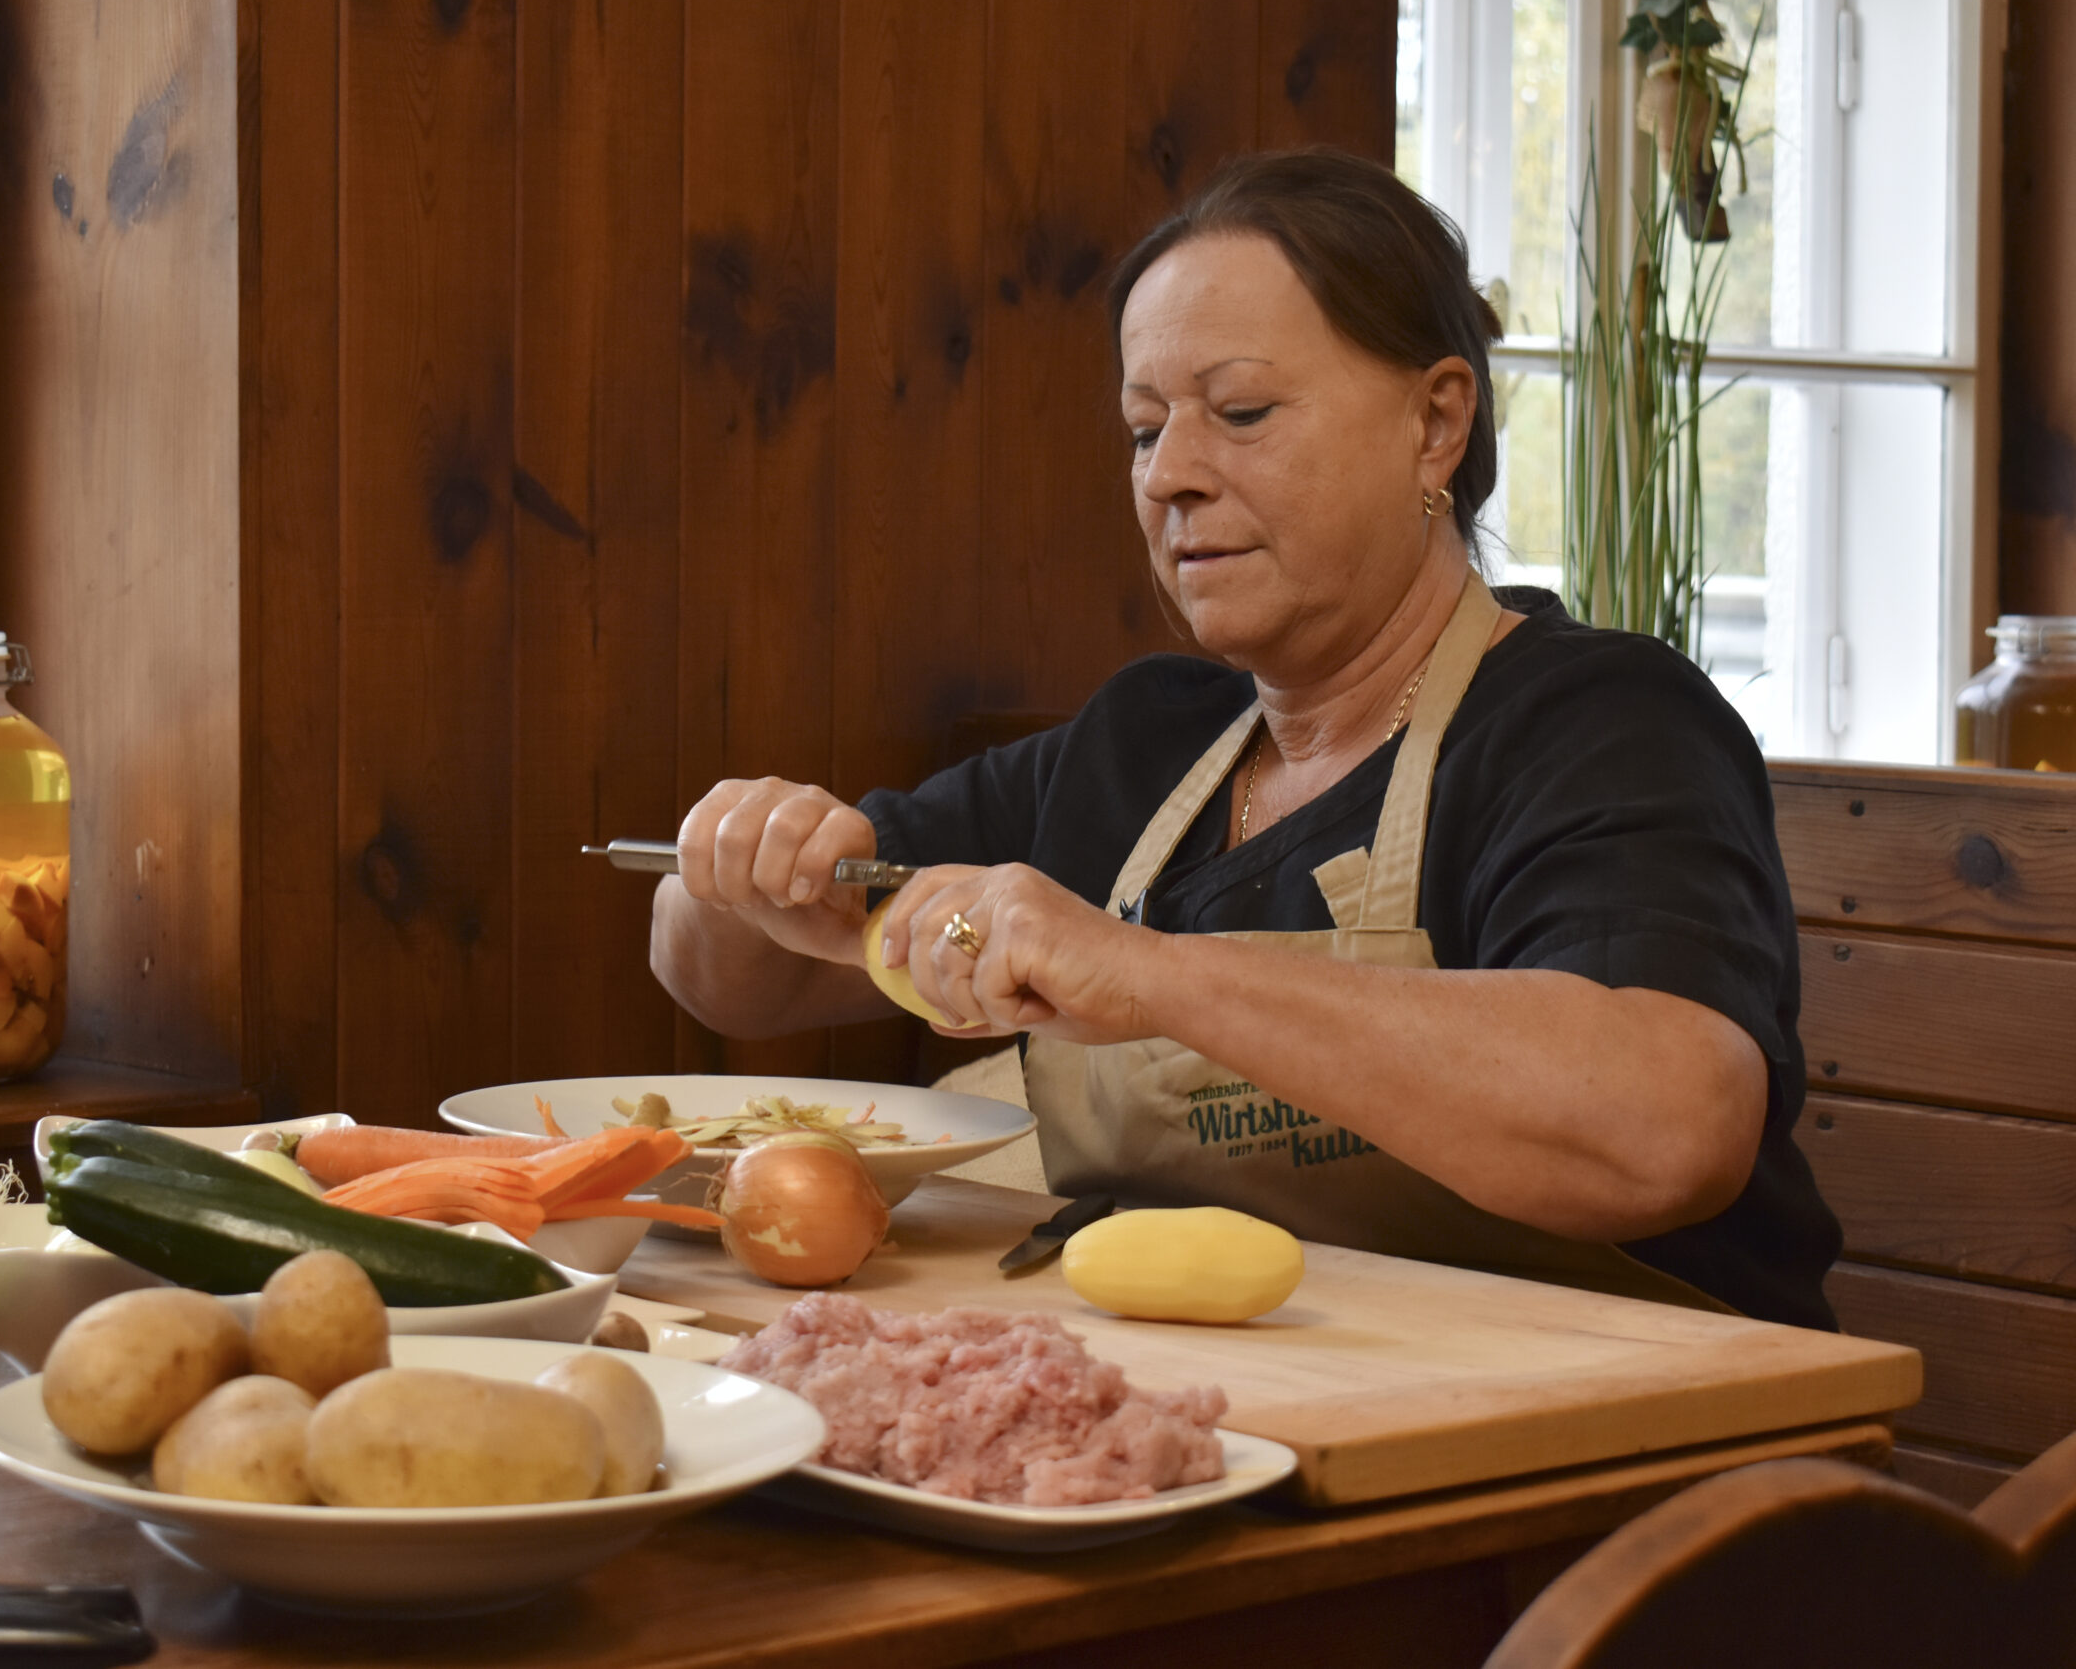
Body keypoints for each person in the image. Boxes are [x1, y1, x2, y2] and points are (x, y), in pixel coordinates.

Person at [649, 147, 1841, 1329]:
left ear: (1435, 424)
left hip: (1631, 1461)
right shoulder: (1143, 743)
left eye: (1242, 413)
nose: (1169, 476)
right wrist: (745, 873)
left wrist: (1146, 974)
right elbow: (722, 981)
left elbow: (1664, 1130)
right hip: (1252, 1411)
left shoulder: (1601, 727)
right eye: (1142, 428)